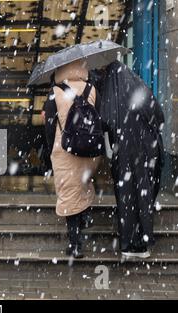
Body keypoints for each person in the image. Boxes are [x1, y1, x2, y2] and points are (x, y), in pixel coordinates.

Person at [99, 61, 165, 259]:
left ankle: (128, 243)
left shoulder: (113, 93)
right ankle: (143, 243)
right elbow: (158, 115)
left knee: (127, 196)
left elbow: (105, 121)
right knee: (143, 196)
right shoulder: (138, 86)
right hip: (147, 150)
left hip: (125, 151)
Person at [43, 59, 102, 258]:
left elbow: (50, 127)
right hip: (89, 149)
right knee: (83, 184)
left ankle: (75, 244)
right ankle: (85, 217)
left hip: (65, 151)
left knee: (69, 193)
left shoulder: (55, 92)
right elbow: (99, 119)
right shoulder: (92, 89)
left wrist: (51, 149)